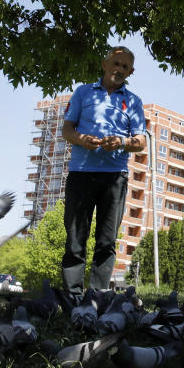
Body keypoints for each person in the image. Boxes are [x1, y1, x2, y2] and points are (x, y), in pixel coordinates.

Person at [61, 46, 146, 298]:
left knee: (107, 241)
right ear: (104, 64)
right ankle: (72, 297)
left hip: (114, 177)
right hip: (81, 173)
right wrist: (81, 138)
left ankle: (97, 297)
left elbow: (140, 142)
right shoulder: (83, 92)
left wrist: (120, 142)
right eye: (116, 63)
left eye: (125, 67)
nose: (119, 70)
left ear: (130, 72)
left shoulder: (133, 101)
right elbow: (67, 130)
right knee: (76, 237)